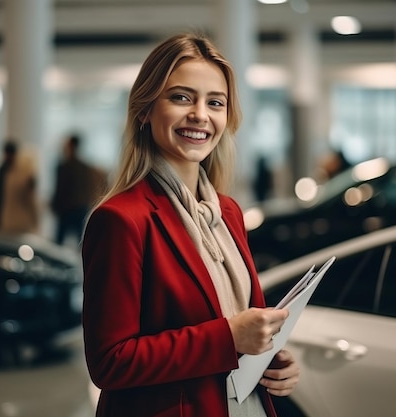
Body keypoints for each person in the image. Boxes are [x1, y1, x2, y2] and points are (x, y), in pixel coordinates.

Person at [81, 33, 300, 417]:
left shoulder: (228, 212)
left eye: (215, 102)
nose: (200, 114)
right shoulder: (120, 220)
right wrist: (229, 337)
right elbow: (110, 362)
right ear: (145, 110)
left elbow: (237, 319)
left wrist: (270, 360)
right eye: (181, 97)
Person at [50, 133, 106, 245]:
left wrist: (55, 205)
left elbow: (60, 189)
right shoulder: (84, 168)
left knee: (60, 243)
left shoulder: (64, 167)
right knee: (79, 243)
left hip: (68, 210)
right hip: (79, 208)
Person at [0, 139, 39, 235]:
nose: (8, 157)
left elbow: (30, 200)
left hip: (16, 223)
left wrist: (35, 222)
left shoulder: (23, 175)